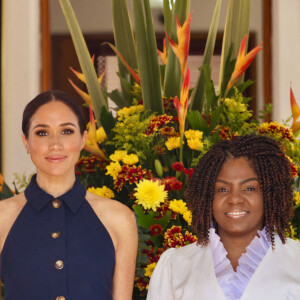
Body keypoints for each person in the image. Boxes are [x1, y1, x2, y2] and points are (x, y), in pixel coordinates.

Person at [0, 90, 138, 300]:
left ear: (83, 139)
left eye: (66, 131)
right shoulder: (3, 218)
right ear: (26, 141)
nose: (55, 144)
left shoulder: (120, 219)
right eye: (42, 133)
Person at [147, 135, 300, 300]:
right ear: (207, 196)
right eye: (222, 189)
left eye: (249, 188)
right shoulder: (175, 265)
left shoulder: (296, 262)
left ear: (271, 193)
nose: (234, 199)